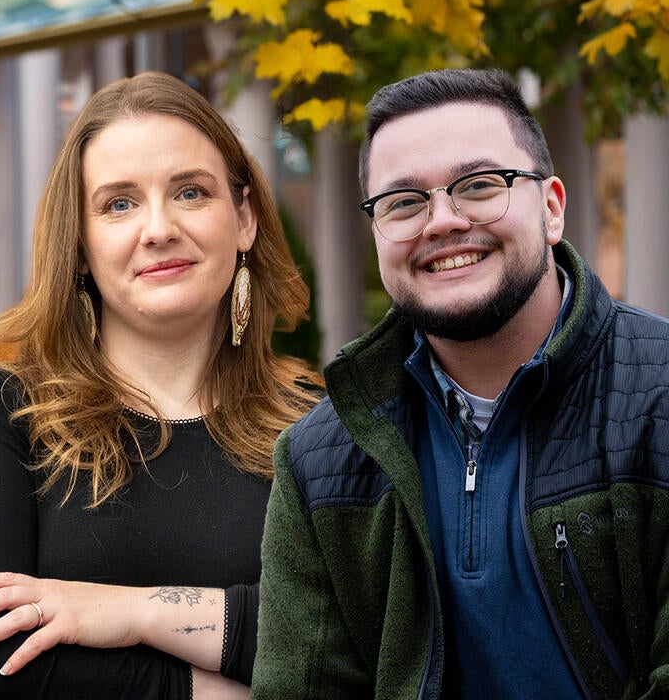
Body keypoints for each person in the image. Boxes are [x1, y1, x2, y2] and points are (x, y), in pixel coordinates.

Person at [0, 71, 320, 699]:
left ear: (245, 218)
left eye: (191, 193)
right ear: (83, 246)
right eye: (119, 203)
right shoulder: (2, 409)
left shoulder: (317, 433)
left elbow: (357, 635)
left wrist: (132, 613)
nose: (158, 228)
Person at [252, 68, 669, 699]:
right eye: (403, 202)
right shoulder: (320, 462)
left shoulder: (659, 401)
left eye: (478, 186)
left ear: (551, 207)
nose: (442, 222)